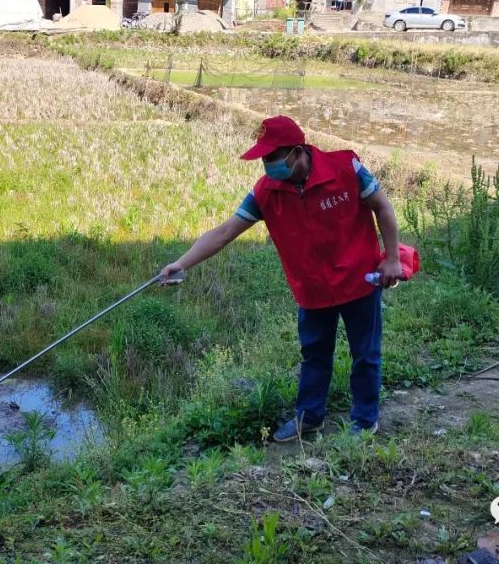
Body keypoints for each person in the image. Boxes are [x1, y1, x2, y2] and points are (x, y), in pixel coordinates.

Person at [159, 116, 404, 442]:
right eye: (264, 159)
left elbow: (382, 208)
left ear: (297, 152)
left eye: (274, 157)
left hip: (359, 280)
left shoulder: (347, 168)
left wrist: (392, 259)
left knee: (365, 354)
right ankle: (310, 419)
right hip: (313, 289)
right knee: (314, 356)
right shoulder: (266, 192)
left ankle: (364, 421)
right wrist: (181, 263)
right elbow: (224, 233)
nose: (268, 165)